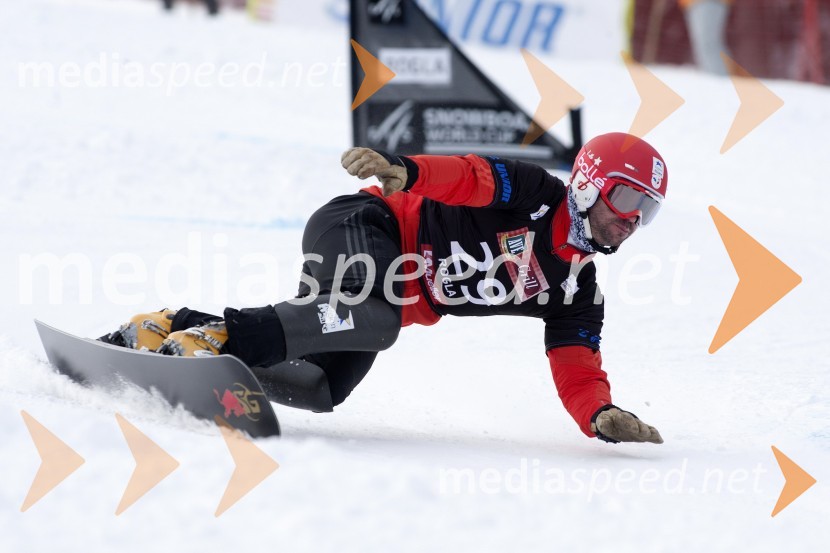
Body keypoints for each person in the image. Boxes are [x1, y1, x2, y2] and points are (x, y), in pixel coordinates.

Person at [101, 132, 667, 444]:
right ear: (591, 184)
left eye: (648, 209)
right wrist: (408, 172)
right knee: (378, 321)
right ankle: (218, 341)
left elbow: (578, 365)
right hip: (363, 225)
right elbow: (471, 176)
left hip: (385, 295)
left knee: (322, 387)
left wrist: (598, 415)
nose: (633, 219)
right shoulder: (536, 193)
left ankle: (169, 328)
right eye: (627, 198)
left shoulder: (578, 290)